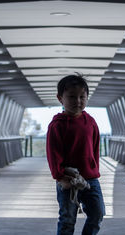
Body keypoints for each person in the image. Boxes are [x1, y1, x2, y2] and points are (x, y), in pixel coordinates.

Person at [46, 74, 105, 235]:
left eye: (82, 97)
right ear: (60, 99)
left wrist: (94, 170)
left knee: (98, 213)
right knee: (67, 219)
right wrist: (60, 177)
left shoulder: (91, 121)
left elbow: (95, 148)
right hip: (68, 179)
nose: (77, 101)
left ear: (87, 97)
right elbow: (53, 153)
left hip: (91, 180)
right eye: (71, 97)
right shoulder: (57, 125)